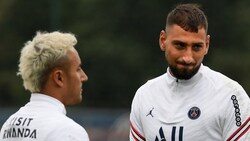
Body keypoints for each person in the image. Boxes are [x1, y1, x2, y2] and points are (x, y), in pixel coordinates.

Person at [129, 3, 250, 141]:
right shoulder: (144, 96)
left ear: (207, 45)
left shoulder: (231, 96)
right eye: (180, 45)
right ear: (163, 40)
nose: (188, 57)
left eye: (197, 47)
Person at [0, 31, 89, 141]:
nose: (84, 77)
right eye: (78, 69)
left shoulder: (8, 125)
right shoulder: (69, 131)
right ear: (59, 78)